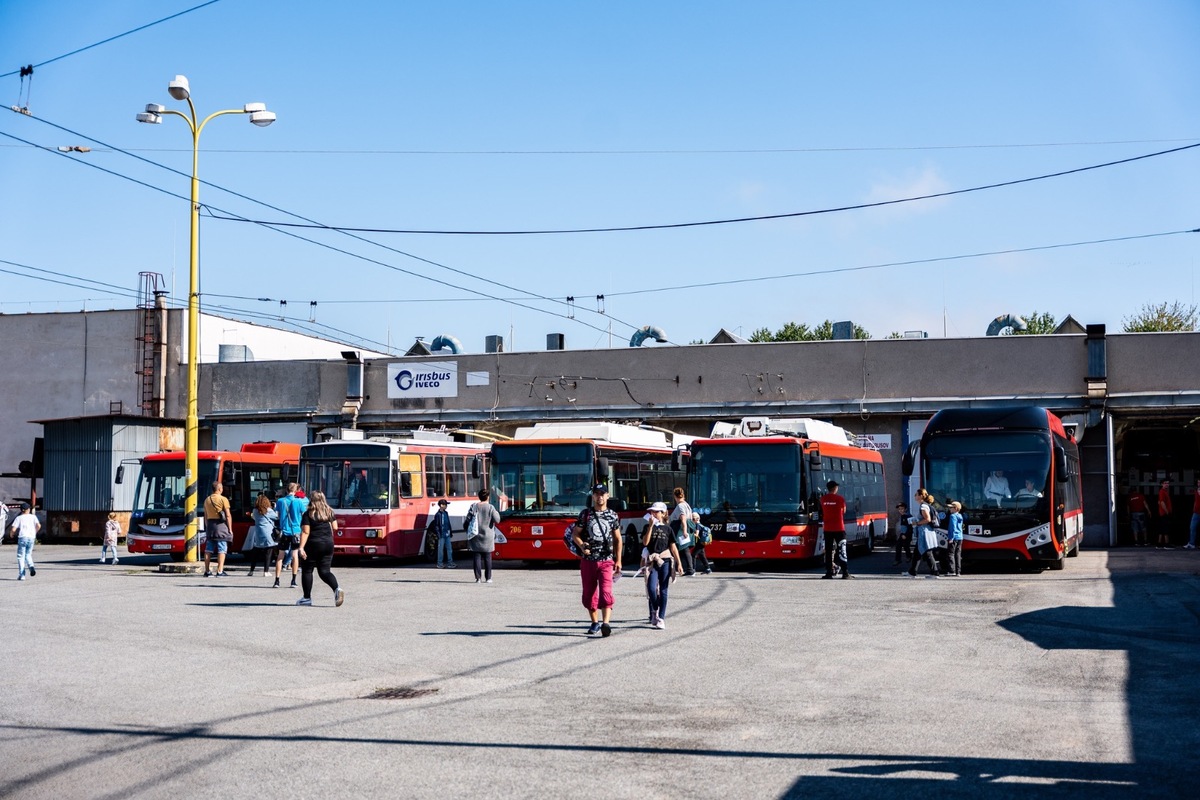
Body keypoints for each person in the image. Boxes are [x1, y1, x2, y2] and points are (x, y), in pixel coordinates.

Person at [571, 483, 623, 637]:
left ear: (607, 496)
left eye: (603, 494)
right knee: (588, 594)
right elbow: (575, 534)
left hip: (606, 560)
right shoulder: (585, 514)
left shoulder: (612, 515)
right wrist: (582, 545)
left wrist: (618, 560)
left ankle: (606, 623)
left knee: (606, 592)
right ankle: (595, 622)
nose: (600, 497)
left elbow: (618, 539)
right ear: (593, 496)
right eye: (597, 494)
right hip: (588, 560)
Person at [296, 490, 344, 607]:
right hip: (328, 544)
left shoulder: (308, 514)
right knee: (325, 571)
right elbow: (336, 527)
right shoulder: (329, 512)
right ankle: (337, 589)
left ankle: (306, 598)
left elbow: (306, 532)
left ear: (311, 500)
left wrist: (301, 547)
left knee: (307, 570)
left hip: (313, 544)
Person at [642, 501, 682, 629]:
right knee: (651, 588)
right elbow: (645, 542)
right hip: (652, 561)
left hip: (665, 560)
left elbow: (673, 547)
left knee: (663, 590)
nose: (653, 514)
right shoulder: (648, 526)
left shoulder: (668, 529)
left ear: (663, 513)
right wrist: (650, 527)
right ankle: (654, 610)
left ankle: (661, 618)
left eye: (656, 511)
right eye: (652, 511)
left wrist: (679, 563)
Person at [274, 483, 308, 588]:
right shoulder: (299, 501)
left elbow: (278, 516)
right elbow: (303, 515)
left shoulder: (280, 501)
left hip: (284, 531)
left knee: (280, 556)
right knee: (294, 555)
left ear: (287, 490)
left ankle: (277, 581)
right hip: (295, 531)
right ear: (296, 490)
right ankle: (293, 581)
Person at [467, 489, 502, 583]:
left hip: (475, 535)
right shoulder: (491, 507)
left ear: (479, 497)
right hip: (488, 536)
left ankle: (478, 578)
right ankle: (488, 578)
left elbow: (467, 520)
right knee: (487, 557)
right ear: (488, 497)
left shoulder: (474, 507)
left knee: (477, 557)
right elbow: (497, 520)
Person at [820, 480, 852, 579]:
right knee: (842, 549)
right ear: (835, 488)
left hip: (827, 528)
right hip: (839, 528)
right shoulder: (840, 499)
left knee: (829, 551)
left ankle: (829, 572)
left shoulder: (822, 499)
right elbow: (844, 511)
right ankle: (845, 572)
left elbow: (821, 511)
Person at [907, 489, 940, 578]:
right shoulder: (926, 506)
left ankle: (935, 572)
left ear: (921, 496)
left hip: (925, 532)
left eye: (916, 494)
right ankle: (912, 572)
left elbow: (927, 519)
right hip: (927, 531)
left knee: (927, 552)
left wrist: (916, 523)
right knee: (918, 552)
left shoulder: (923, 507)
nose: (915, 496)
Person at [203, 482, 233, 578]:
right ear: (220, 489)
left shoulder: (207, 500)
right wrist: (230, 529)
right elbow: (228, 515)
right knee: (222, 548)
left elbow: (205, 516)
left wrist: (208, 526)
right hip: (221, 526)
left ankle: (207, 571)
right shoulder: (223, 499)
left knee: (208, 549)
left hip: (210, 526)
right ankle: (220, 571)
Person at [246, 493, 278, 577]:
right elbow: (276, 517)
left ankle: (251, 571)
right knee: (268, 551)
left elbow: (254, 518)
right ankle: (266, 571)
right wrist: (274, 508)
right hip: (268, 532)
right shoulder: (269, 510)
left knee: (256, 552)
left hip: (258, 532)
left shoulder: (255, 511)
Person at [669, 487, 696, 576]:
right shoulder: (686, 504)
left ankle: (688, 569)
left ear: (675, 496)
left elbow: (683, 518)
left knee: (679, 548)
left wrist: (684, 531)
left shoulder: (680, 506)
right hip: (684, 528)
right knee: (684, 549)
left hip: (679, 529)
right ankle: (689, 569)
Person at [12, 502, 39, 580]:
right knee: (28, 554)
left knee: (20, 556)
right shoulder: (33, 517)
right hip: (31, 538)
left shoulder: (19, 518)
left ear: (21, 510)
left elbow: (13, 529)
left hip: (22, 537)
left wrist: (11, 534)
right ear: (28, 509)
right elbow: (38, 526)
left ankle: (22, 575)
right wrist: (35, 532)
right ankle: (31, 566)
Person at [427, 499, 455, 568]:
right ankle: (440, 563)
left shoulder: (446, 513)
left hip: (447, 533)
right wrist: (438, 534)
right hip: (441, 534)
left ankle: (450, 562)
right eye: (445, 505)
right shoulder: (438, 515)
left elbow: (448, 523)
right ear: (441, 505)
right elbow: (436, 525)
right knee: (440, 549)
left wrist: (450, 532)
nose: (446, 506)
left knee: (449, 549)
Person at [945, 501, 964, 576]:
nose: (949, 509)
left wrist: (951, 538)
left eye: (951, 508)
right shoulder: (960, 516)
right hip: (960, 537)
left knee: (950, 553)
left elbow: (952, 527)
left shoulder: (952, 516)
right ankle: (958, 571)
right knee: (958, 554)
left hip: (954, 537)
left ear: (955, 508)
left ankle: (951, 570)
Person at [892, 502, 912, 566]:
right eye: (899, 509)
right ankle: (898, 559)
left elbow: (910, 527)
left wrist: (905, 534)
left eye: (902, 509)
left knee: (906, 546)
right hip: (902, 534)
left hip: (907, 534)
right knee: (898, 546)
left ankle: (909, 557)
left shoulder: (908, 516)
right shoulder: (902, 516)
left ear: (905, 509)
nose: (900, 510)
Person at [1156, 478, 1173, 549]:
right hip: (1164, 513)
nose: (1167, 484)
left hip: (1163, 513)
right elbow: (1162, 502)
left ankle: (1159, 544)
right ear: (1162, 484)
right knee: (1166, 528)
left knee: (1162, 528)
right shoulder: (1162, 492)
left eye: (1168, 483)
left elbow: (1159, 502)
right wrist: (1167, 512)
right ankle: (1167, 544)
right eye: (1165, 483)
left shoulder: (1165, 492)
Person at [1186, 478, 1200, 550]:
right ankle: (1192, 543)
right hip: (1196, 512)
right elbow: (1196, 500)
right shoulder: (1196, 491)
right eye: (1198, 482)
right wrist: (1194, 508)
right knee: (1192, 527)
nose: (1199, 483)